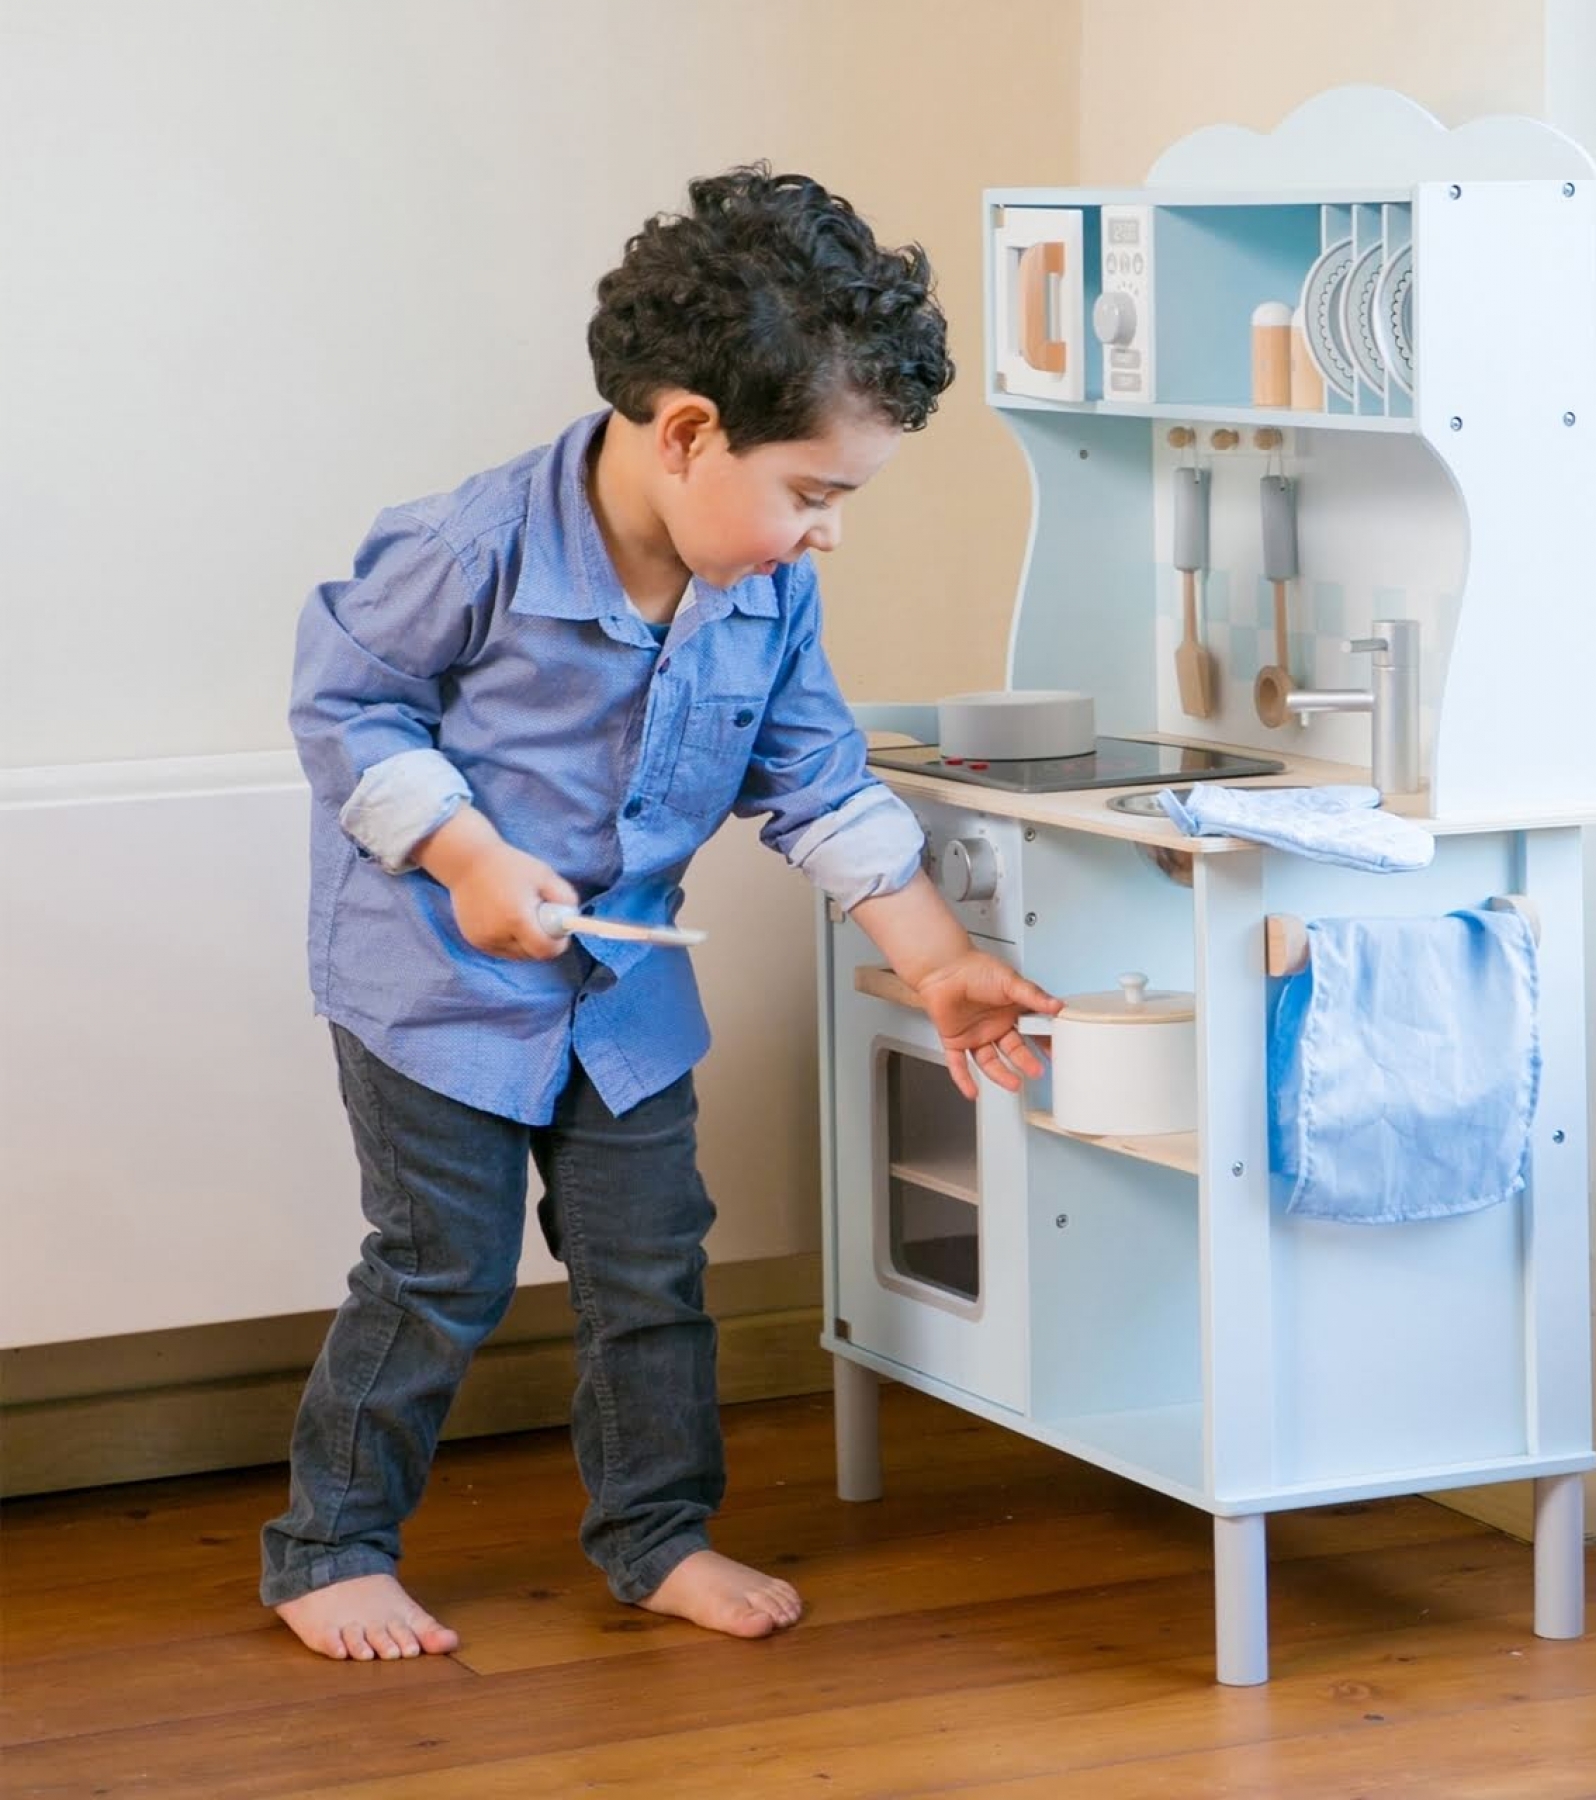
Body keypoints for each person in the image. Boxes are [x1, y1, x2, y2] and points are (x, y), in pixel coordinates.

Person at [265, 164, 1061, 1662]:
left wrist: (938, 956)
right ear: (689, 432)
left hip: (621, 1005)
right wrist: (466, 858)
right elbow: (348, 710)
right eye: (814, 495)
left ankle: (657, 1536)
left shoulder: (767, 590)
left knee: (652, 1274)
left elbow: (814, 781)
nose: (826, 535)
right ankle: (329, 1547)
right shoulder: (469, 547)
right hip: (435, 991)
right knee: (440, 1272)